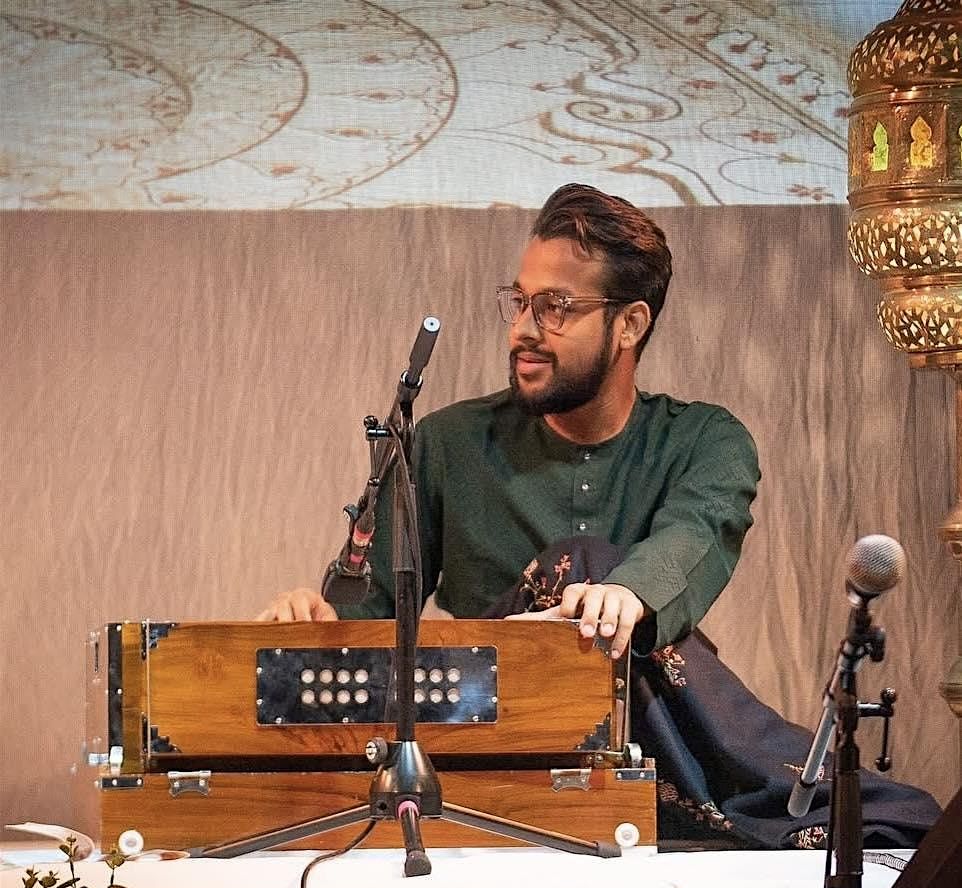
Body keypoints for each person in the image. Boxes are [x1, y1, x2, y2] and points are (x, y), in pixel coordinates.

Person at [258, 183, 761, 661]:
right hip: (487, 711)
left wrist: (628, 593)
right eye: (520, 302)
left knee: (591, 568)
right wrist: (315, 619)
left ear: (629, 325)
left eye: (555, 308)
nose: (522, 330)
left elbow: (694, 533)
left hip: (642, 711)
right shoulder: (447, 443)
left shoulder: (704, 443)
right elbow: (367, 614)